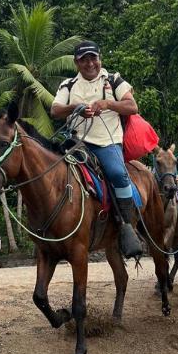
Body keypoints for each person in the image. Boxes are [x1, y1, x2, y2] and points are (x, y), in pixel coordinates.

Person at [51, 40, 143, 258]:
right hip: (77, 143)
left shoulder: (114, 80)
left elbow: (132, 106)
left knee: (118, 174)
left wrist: (108, 104)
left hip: (106, 143)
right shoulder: (69, 85)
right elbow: (55, 110)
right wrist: (75, 108)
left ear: (100, 58)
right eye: (84, 59)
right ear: (77, 62)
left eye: (93, 58)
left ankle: (127, 225)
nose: (90, 63)